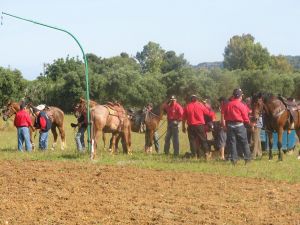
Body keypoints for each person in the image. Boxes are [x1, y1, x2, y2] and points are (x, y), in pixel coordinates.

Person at [223, 88, 252, 164]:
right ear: (240, 96)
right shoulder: (241, 105)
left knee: (232, 143)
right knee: (244, 142)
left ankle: (234, 160)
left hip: (230, 126)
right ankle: (247, 159)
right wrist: (249, 123)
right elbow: (245, 117)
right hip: (239, 126)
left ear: (233, 96)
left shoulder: (228, 104)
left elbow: (225, 116)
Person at [182, 94, 215, 159]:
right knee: (203, 140)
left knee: (192, 141)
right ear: (196, 99)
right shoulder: (200, 105)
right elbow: (209, 114)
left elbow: (183, 118)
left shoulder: (187, 106)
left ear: (190, 100)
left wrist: (183, 127)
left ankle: (194, 155)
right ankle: (206, 154)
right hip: (200, 126)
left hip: (191, 126)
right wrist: (208, 107)